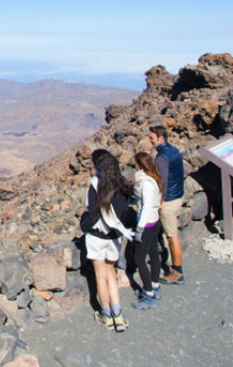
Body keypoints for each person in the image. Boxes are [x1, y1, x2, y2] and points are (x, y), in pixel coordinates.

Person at [84, 149, 135, 331]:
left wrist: (84, 227)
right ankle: (118, 316)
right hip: (114, 237)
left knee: (100, 277)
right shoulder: (123, 184)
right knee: (110, 275)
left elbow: (91, 214)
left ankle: (106, 316)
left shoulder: (96, 184)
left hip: (97, 237)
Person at [149, 125, 185, 285]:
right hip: (178, 195)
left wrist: (161, 202)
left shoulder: (161, 157)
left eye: (152, 138)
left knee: (172, 236)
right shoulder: (173, 150)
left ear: (160, 138)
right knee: (171, 235)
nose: (150, 141)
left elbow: (163, 181)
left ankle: (177, 273)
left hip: (169, 201)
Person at [131, 151, 163, 310]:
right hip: (154, 221)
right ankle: (155, 285)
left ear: (139, 165)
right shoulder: (154, 178)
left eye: (135, 164)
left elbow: (147, 206)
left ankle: (149, 294)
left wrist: (139, 228)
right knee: (153, 254)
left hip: (147, 225)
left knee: (139, 259)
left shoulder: (146, 183)